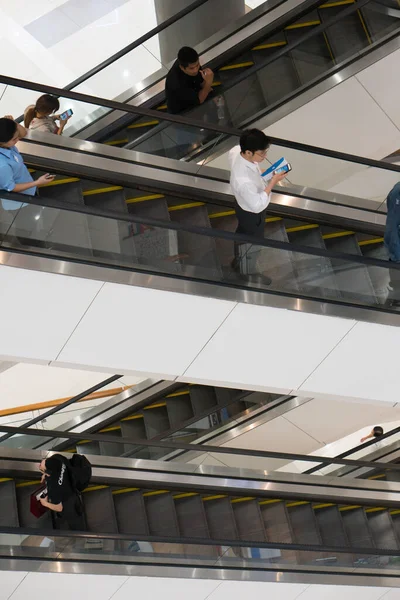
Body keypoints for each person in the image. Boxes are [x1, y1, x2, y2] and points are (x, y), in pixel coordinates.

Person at [229, 129, 287, 282]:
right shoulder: (243, 181)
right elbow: (257, 205)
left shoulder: (237, 153)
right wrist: (273, 182)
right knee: (254, 241)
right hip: (251, 213)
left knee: (242, 232)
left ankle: (238, 262)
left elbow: (235, 154)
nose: (264, 156)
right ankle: (247, 271)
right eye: (262, 154)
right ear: (248, 152)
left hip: (241, 206)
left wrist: (265, 173)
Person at [38, 454, 85, 530]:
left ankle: (80, 535)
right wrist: (45, 474)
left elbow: (59, 508)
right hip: (72, 493)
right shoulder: (59, 459)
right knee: (78, 510)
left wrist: (45, 503)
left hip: (67, 505)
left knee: (74, 522)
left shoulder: (54, 489)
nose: (39, 464)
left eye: (41, 466)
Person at [165, 46, 214, 114]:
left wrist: (208, 88)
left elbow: (200, 81)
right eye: (192, 68)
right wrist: (208, 82)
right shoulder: (177, 83)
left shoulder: (190, 63)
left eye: (197, 65)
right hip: (182, 112)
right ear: (182, 67)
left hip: (193, 93)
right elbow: (199, 100)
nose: (196, 70)